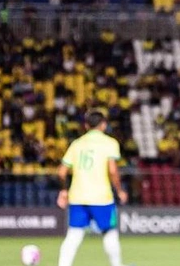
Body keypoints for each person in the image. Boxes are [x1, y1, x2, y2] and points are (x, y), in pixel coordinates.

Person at [56, 109, 128, 266]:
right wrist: (120, 190)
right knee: (109, 233)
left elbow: (61, 172)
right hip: (101, 197)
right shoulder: (110, 143)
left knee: (73, 235)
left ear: (86, 126)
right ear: (103, 125)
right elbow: (113, 170)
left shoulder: (77, 144)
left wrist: (64, 190)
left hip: (78, 196)